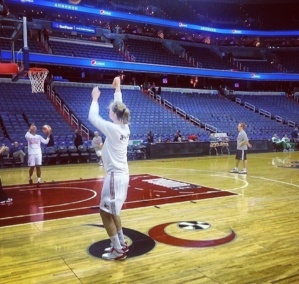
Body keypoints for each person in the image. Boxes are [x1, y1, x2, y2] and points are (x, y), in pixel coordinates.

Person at [88, 76, 130, 261]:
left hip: (114, 177)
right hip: (122, 175)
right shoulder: (124, 127)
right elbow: (119, 105)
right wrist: (117, 88)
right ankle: (120, 243)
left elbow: (92, 117)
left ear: (114, 114)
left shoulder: (113, 129)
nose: (109, 112)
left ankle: (117, 250)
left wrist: (95, 99)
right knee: (114, 212)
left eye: (110, 111)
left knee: (104, 213)